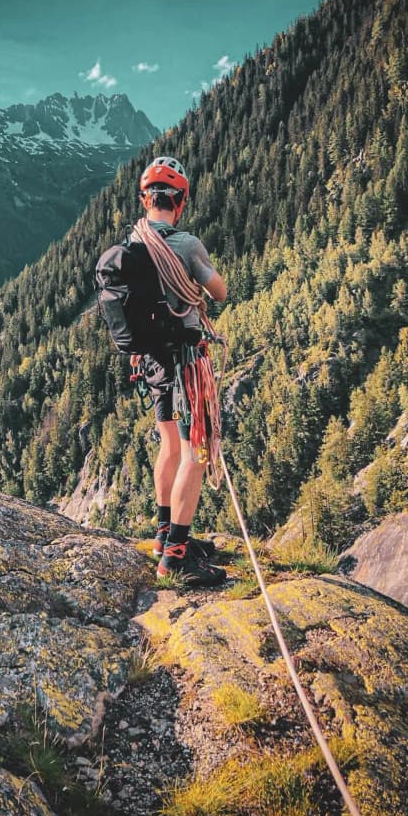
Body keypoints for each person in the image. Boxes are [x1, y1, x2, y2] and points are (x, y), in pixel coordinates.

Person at [131, 156, 228, 587]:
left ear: (144, 198)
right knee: (196, 454)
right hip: (187, 359)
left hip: (151, 359)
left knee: (169, 446)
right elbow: (218, 290)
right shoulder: (187, 245)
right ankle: (176, 556)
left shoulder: (133, 243)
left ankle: (163, 534)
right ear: (180, 202)